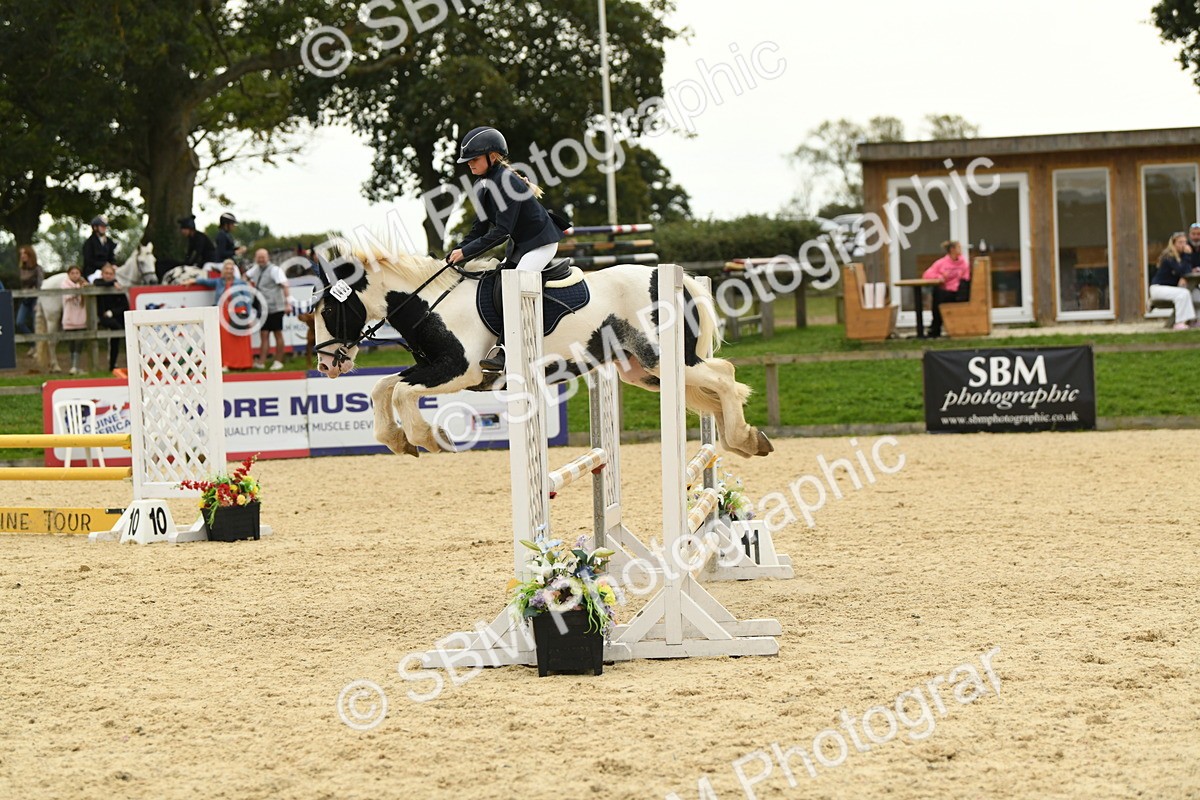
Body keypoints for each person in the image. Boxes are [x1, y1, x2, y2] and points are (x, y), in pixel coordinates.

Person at [446, 126, 563, 371]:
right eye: (467, 161)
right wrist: (458, 251)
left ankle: (509, 351)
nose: (469, 164)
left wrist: (467, 253)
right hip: (522, 246)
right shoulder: (483, 184)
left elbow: (501, 231)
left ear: (494, 156)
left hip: (541, 244)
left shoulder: (508, 182)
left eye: (474, 159)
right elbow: (479, 228)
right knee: (494, 283)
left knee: (515, 287)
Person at [184, 259, 255, 370]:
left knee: (239, 340)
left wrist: (249, 316)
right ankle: (226, 363)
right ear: (223, 270)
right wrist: (193, 280)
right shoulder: (218, 282)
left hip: (237, 313)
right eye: (227, 268)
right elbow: (205, 281)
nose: (229, 271)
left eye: (231, 269)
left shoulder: (241, 283)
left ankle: (242, 364)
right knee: (225, 342)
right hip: (223, 314)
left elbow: (247, 300)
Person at [244, 248, 292, 370]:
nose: (261, 259)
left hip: (276, 307)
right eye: (259, 257)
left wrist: (288, 303)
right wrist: (247, 284)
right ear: (256, 258)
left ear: (268, 257)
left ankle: (278, 361)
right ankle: (261, 362)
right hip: (264, 308)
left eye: (263, 257)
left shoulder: (275, 270)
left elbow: (285, 286)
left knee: (277, 334)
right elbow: (245, 277)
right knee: (264, 335)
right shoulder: (255, 269)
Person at [922, 240, 972, 338]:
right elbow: (927, 275)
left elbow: (966, 277)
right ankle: (935, 328)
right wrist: (939, 276)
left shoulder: (963, 263)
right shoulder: (941, 263)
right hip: (945, 291)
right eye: (958, 247)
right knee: (937, 294)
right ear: (952, 249)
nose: (961, 250)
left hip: (959, 292)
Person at [1150, 232, 1197, 331]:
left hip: (1170, 288)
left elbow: (1186, 271)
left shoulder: (1181, 257)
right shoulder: (1168, 256)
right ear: (1173, 243)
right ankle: (1179, 322)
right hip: (1159, 288)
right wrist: (1187, 256)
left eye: (1184, 242)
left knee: (1194, 293)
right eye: (1180, 242)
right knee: (1183, 294)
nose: (1183, 245)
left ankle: (1193, 320)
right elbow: (1182, 271)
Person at [94, 263, 130, 373]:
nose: (108, 276)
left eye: (111, 274)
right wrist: (114, 282)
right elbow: (98, 283)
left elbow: (125, 305)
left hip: (116, 316)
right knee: (116, 329)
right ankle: (107, 364)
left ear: (114, 274)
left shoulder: (118, 287)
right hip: (101, 316)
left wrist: (112, 312)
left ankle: (114, 364)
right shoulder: (99, 283)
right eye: (106, 273)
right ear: (102, 274)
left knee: (120, 333)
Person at [61, 265, 89, 375]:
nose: (75, 275)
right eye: (72, 273)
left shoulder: (83, 285)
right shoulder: (64, 284)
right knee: (72, 344)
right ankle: (73, 366)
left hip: (81, 318)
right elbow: (68, 295)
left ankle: (75, 366)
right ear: (68, 274)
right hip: (69, 318)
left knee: (79, 343)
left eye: (77, 273)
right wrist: (80, 288)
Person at [15, 245, 43, 339]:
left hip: (35, 299)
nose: (22, 255)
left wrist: (39, 302)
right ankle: (33, 344)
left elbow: (40, 285)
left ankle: (38, 348)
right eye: (21, 254)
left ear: (30, 255)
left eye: (24, 253)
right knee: (19, 322)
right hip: (25, 299)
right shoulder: (21, 269)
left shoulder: (37, 269)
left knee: (36, 324)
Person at [81, 216, 118, 280]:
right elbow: (89, 260)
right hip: (93, 272)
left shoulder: (109, 241)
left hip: (108, 270)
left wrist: (113, 264)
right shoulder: (89, 243)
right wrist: (104, 264)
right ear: (95, 227)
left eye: (105, 227)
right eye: (102, 226)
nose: (104, 228)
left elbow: (111, 257)